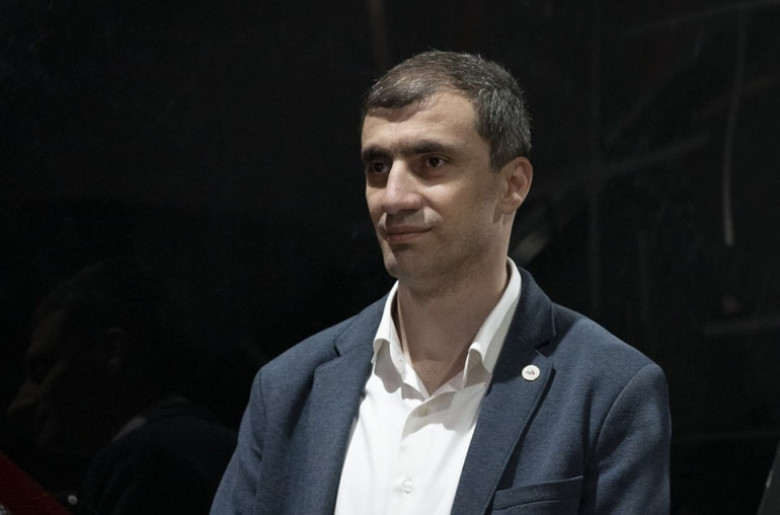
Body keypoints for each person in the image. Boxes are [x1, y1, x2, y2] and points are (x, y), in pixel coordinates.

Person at [211, 50, 671, 514]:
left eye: (431, 162)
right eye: (378, 167)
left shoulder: (608, 389)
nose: (393, 198)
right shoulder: (288, 387)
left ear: (512, 184)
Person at [7, 258, 237, 514]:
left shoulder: (144, 460)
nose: (20, 405)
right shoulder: (208, 445)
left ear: (112, 351)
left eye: (43, 369)